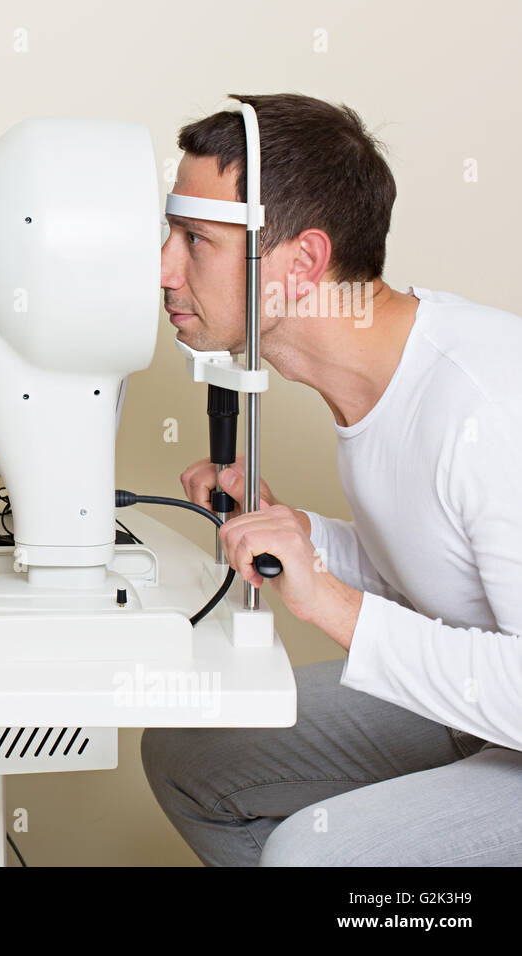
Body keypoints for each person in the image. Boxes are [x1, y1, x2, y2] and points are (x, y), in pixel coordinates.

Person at [144, 93, 522, 865]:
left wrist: (337, 606)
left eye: (196, 240)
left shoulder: (486, 410)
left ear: (303, 263)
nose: (163, 268)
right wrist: (302, 537)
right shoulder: (374, 379)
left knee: (314, 858)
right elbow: (446, 575)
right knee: (192, 760)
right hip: (479, 714)